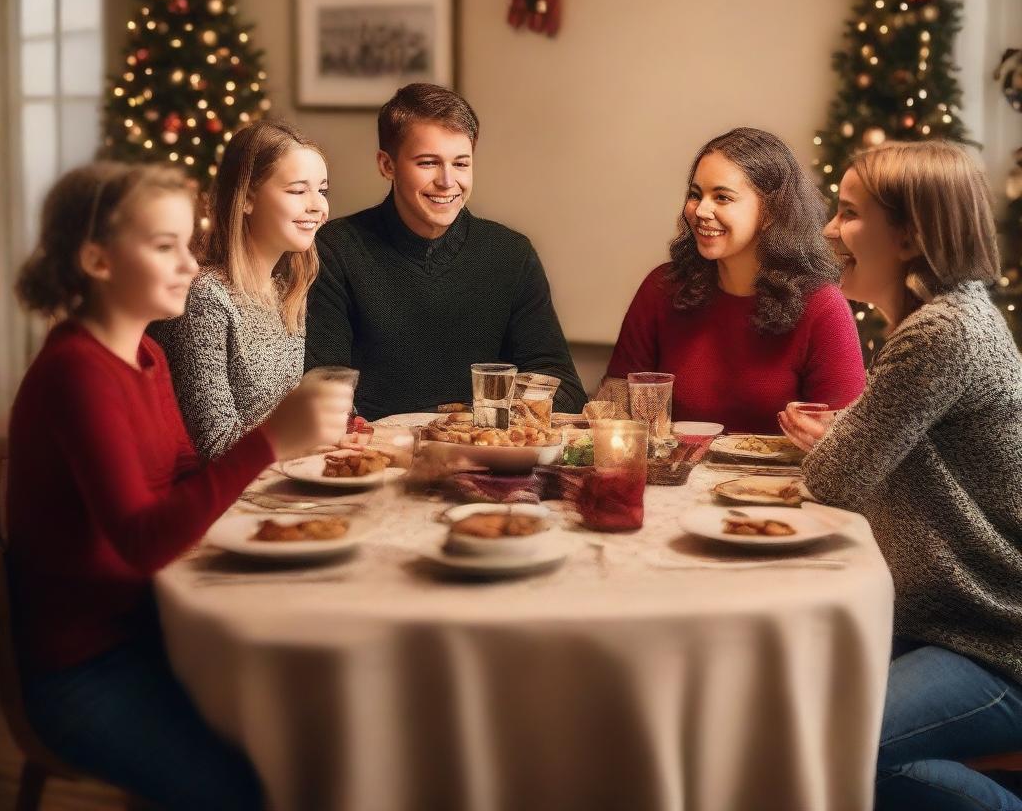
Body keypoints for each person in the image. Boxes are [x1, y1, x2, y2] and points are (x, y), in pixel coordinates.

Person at [7, 161, 352, 810]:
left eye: (188, 245)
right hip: (87, 666)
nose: (191, 266)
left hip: (158, 627)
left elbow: (191, 474)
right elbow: (141, 539)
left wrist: (301, 444)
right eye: (164, 246)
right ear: (97, 259)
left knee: (316, 729)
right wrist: (273, 436)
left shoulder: (148, 356)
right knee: (252, 784)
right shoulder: (74, 375)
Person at [779, 141, 1022, 811]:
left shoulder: (941, 332)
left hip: (995, 646)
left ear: (911, 233)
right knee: (784, 700)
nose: (829, 228)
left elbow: (834, 479)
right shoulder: (942, 316)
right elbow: (867, 454)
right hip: (941, 624)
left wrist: (839, 447)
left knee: (829, 743)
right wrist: (844, 442)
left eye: (850, 213)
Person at [305, 82, 586, 420]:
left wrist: (472, 422)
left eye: (461, 164)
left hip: (484, 454)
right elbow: (324, 389)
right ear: (387, 165)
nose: (448, 181)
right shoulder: (336, 249)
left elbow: (564, 386)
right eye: (428, 163)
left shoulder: (511, 254)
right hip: (379, 459)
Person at [606, 127, 865, 432]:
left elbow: (850, 443)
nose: (701, 210)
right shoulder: (661, 288)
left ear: (770, 211)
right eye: (695, 194)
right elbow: (615, 411)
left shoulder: (822, 305)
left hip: (781, 481)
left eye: (722, 197)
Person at [152, 119, 330, 457]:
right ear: (246, 199)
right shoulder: (206, 298)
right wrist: (306, 435)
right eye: (297, 190)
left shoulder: (286, 292)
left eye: (322, 190)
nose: (318, 206)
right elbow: (215, 447)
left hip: (276, 482)